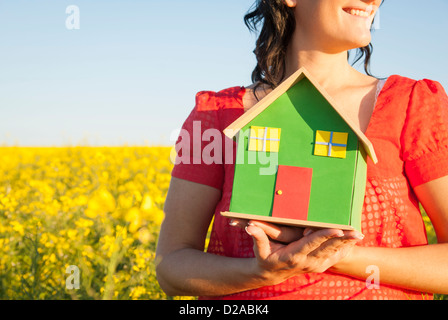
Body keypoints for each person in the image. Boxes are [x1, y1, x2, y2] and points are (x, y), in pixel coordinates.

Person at [156, 0, 448, 300]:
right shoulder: (216, 115)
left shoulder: (414, 105)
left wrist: (339, 256)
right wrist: (262, 272)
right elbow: (171, 266)